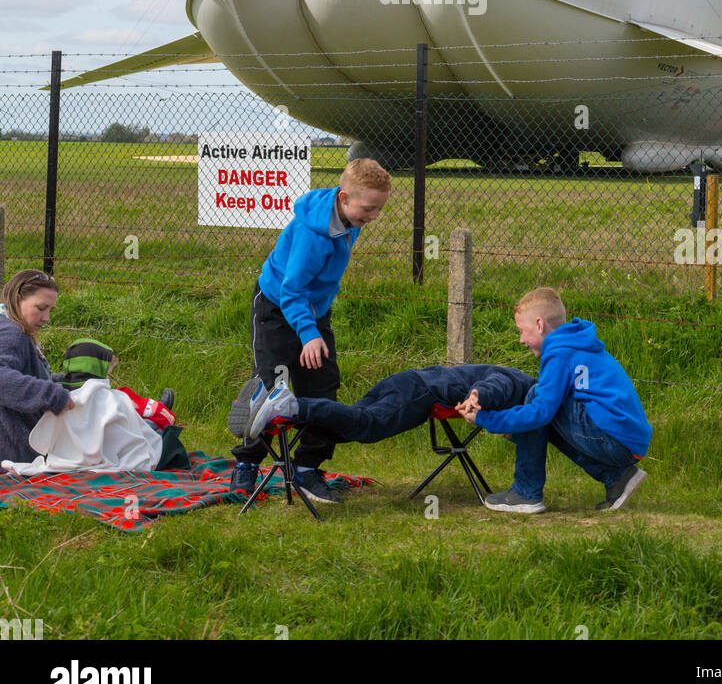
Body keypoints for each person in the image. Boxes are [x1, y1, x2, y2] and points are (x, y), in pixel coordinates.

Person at [229, 158, 392, 502]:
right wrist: (308, 333)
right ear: (344, 198)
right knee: (273, 387)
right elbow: (292, 290)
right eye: (368, 209)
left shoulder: (350, 217)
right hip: (277, 307)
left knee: (323, 386)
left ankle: (306, 468)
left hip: (313, 312)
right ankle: (247, 464)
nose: (373, 217)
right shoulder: (312, 235)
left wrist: (315, 324)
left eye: (379, 209)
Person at [455, 287, 651, 514]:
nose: (520, 340)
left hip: (616, 442)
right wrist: (518, 428)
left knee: (536, 397)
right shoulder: (575, 343)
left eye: (521, 331)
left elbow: (540, 412)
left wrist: (485, 418)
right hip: (626, 441)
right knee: (543, 404)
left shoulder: (559, 353)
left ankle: (525, 493)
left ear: (539, 324)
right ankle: (618, 478)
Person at [245, 361, 536, 445]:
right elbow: (493, 387)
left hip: (409, 380)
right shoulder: (519, 384)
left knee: (350, 425)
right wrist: (475, 399)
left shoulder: (518, 384)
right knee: (367, 426)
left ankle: (272, 411)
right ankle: (291, 405)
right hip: (422, 393)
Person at [0, 269, 73, 464]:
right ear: (17, 300)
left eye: (50, 310)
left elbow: (26, 374)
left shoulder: (12, 328)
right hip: (16, 453)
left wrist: (68, 381)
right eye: (41, 308)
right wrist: (52, 395)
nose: (47, 318)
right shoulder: (12, 334)